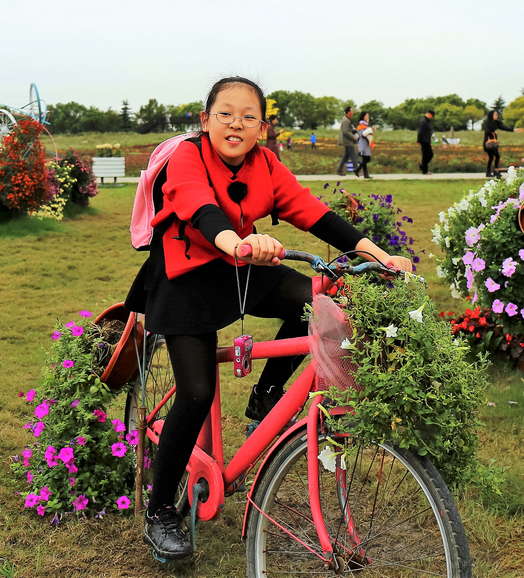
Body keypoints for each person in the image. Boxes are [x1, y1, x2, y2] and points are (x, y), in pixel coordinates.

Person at [124, 76, 412, 561]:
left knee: (318, 305)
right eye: (225, 113)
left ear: (262, 126)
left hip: (243, 265)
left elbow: (315, 214)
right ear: (205, 120)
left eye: (248, 116)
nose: (236, 123)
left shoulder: (266, 164)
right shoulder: (187, 158)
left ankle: (267, 393)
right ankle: (159, 513)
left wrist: (380, 255)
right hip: (186, 274)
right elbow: (199, 207)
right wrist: (235, 242)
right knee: (196, 393)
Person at [482, 110, 516, 177]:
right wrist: (494, 132)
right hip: (488, 144)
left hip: (494, 144)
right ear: (491, 115)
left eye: (497, 115)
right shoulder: (487, 123)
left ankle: (496, 171)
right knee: (492, 157)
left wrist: (513, 130)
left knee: (497, 157)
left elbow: (503, 127)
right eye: (495, 115)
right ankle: (489, 173)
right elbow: (487, 131)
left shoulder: (496, 123)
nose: (496, 116)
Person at [337, 106, 360, 177]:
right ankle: (356, 170)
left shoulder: (347, 119)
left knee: (346, 156)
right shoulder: (346, 121)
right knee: (353, 155)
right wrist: (354, 137)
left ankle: (339, 170)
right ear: (348, 112)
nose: (353, 112)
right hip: (348, 141)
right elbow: (346, 131)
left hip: (347, 141)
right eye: (352, 111)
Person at [356, 111, 374, 178]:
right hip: (362, 144)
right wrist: (370, 130)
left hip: (366, 144)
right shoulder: (360, 126)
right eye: (366, 116)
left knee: (366, 159)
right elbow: (362, 134)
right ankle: (362, 173)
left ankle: (359, 171)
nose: (367, 118)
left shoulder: (366, 125)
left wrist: (370, 130)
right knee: (366, 159)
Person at [417, 110, 434, 175]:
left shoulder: (426, 121)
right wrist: (419, 140)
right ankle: (425, 170)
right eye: (432, 116)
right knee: (426, 155)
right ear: (429, 114)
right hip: (424, 141)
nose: (432, 118)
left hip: (426, 140)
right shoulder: (424, 121)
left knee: (429, 154)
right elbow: (420, 132)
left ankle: (423, 166)